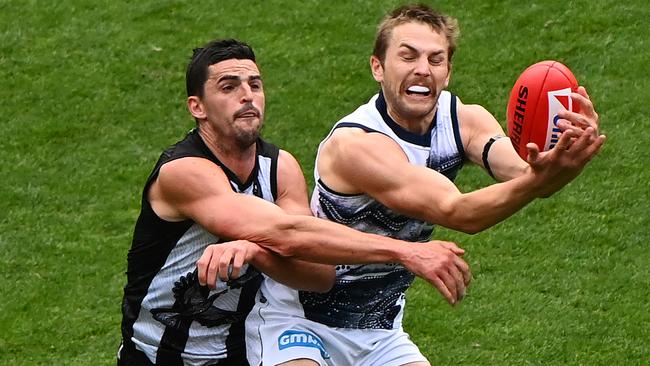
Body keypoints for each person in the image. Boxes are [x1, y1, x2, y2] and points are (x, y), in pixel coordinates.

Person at [243, 4, 606, 366]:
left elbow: (526, 174)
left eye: (436, 59)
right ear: (378, 68)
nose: (422, 70)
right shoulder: (355, 145)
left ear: (447, 72)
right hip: (298, 322)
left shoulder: (465, 121)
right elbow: (460, 212)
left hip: (380, 332)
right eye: (408, 56)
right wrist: (547, 174)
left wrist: (567, 153)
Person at [119, 38, 471, 366]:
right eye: (229, 87)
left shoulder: (279, 168)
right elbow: (286, 231)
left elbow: (317, 275)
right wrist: (405, 251)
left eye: (254, 85)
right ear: (197, 107)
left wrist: (255, 251)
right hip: (157, 358)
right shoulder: (184, 172)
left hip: (238, 356)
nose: (247, 96)